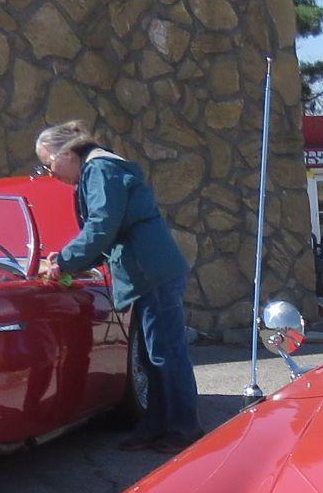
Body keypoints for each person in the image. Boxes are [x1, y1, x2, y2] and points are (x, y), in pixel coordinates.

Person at [32, 120, 201, 451]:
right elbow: (107, 231)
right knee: (152, 355)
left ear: (67, 152)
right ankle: (155, 426)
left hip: (151, 273)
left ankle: (183, 430)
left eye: (49, 164)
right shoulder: (99, 169)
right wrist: (70, 259)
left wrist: (64, 261)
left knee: (165, 352)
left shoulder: (101, 170)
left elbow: (101, 227)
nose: (50, 173)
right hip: (146, 272)